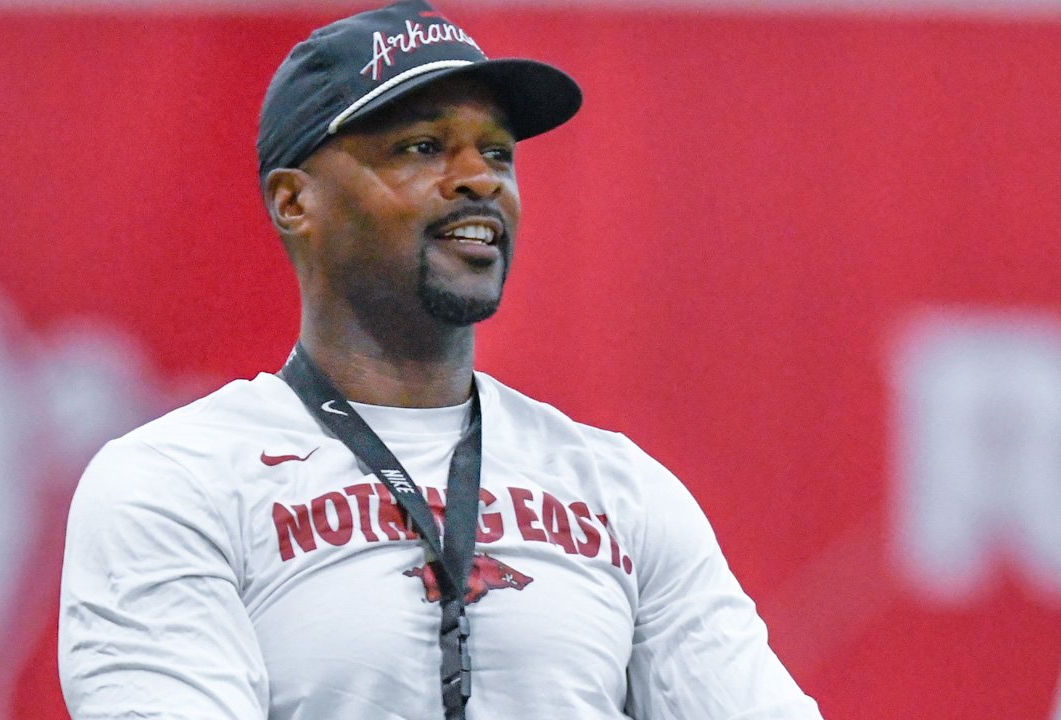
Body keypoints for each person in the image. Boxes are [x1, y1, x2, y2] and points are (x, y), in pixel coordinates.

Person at [58, 2, 823, 719]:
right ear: (295, 201)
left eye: (497, 153)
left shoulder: (621, 490)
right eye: (422, 148)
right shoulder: (178, 481)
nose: (480, 179)